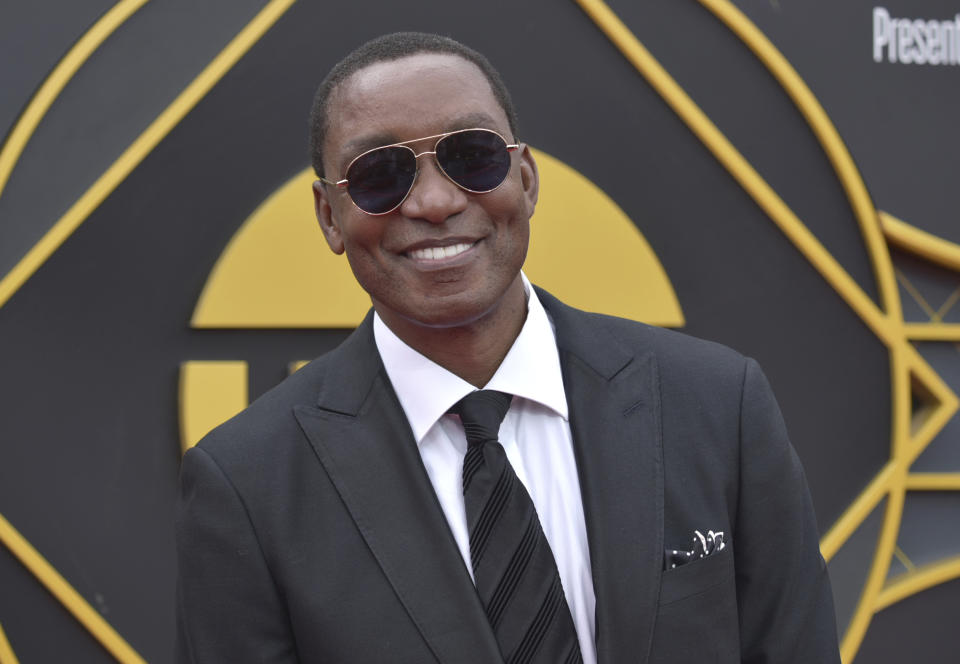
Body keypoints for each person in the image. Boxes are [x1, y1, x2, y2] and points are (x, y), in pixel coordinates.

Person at [175, 32, 841, 664]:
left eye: (473, 155)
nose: (435, 201)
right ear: (329, 216)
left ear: (525, 178)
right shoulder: (248, 485)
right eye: (380, 174)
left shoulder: (718, 405)